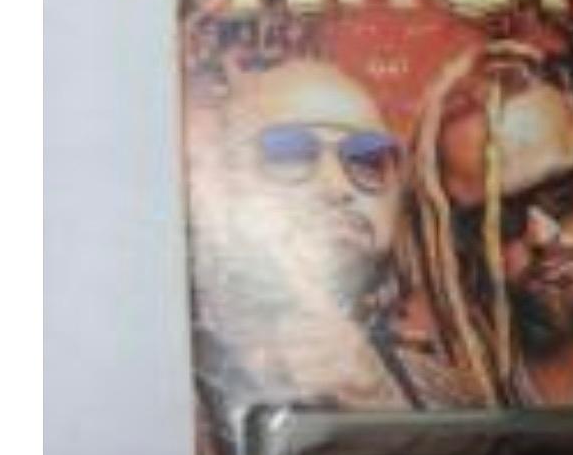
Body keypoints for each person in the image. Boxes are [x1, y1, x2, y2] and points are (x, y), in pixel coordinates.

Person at [189, 57, 464, 407]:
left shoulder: (448, 392)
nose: (337, 186)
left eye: (366, 160)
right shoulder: (169, 366)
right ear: (223, 188)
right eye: (289, 154)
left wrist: (376, 399)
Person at [412, 43, 573, 406]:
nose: (541, 235)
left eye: (563, 194)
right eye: (500, 219)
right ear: (461, 231)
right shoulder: (452, 366)